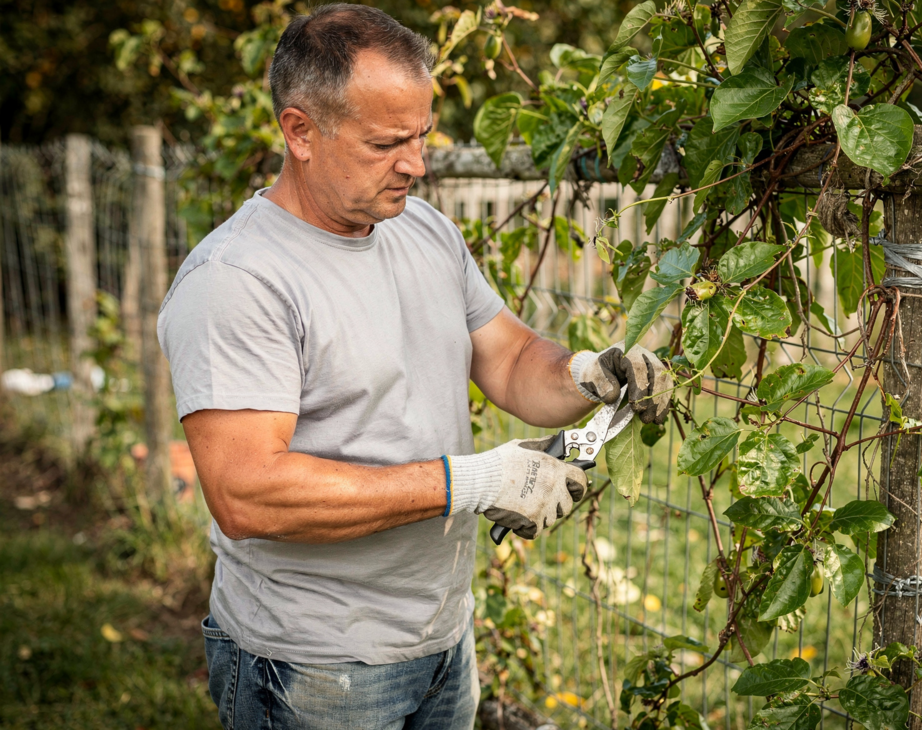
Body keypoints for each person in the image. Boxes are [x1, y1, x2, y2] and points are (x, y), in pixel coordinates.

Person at [157, 5, 672, 728]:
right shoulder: (239, 278)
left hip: (441, 640)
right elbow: (247, 495)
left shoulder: (423, 232)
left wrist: (587, 374)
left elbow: (512, 356)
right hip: (314, 664)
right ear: (299, 131)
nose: (417, 164)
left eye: (422, 136)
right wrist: (476, 481)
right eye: (385, 143)